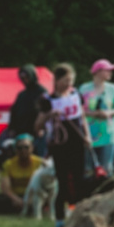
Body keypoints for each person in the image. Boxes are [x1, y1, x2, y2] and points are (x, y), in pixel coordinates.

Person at [42, 63, 88, 219]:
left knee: (79, 179)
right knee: (62, 182)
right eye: (66, 80)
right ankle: (60, 219)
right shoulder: (48, 100)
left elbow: (82, 116)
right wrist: (49, 115)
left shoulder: (76, 95)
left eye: (71, 80)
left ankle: (80, 214)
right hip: (60, 144)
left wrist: (87, 135)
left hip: (77, 141)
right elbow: (37, 125)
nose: (70, 84)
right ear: (57, 80)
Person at [83, 60, 114, 179]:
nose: (110, 73)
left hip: (109, 134)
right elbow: (79, 111)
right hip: (89, 134)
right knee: (88, 169)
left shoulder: (112, 89)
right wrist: (94, 114)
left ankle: (106, 189)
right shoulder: (84, 89)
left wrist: (109, 113)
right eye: (108, 70)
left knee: (107, 168)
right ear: (98, 71)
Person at [4, 65, 48, 144]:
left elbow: (46, 111)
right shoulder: (22, 95)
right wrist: (12, 128)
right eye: (22, 78)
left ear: (32, 76)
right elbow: (14, 112)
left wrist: (42, 127)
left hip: (36, 133)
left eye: (27, 77)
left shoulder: (42, 92)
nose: (25, 80)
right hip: (21, 133)